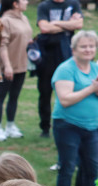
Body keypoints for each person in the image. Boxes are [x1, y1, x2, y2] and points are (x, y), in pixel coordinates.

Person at [51, 31, 98, 186]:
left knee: (92, 168)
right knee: (68, 166)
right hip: (67, 125)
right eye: (83, 46)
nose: (88, 49)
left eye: (91, 46)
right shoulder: (65, 69)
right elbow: (66, 99)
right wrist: (92, 89)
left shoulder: (97, 70)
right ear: (74, 48)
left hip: (91, 127)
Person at [34, 0, 83, 139]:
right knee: (45, 93)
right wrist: (68, 24)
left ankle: (69, 125)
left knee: (70, 92)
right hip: (47, 55)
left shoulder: (73, 4)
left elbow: (79, 24)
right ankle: (45, 127)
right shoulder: (44, 6)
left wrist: (55, 23)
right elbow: (44, 28)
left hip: (67, 54)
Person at [0, 0, 31, 141]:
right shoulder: (5, 20)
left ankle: (10, 126)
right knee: (0, 97)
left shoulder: (24, 18)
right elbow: (2, 45)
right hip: (6, 67)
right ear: (15, 4)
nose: (27, 2)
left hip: (21, 66)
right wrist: (7, 66)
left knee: (14, 97)